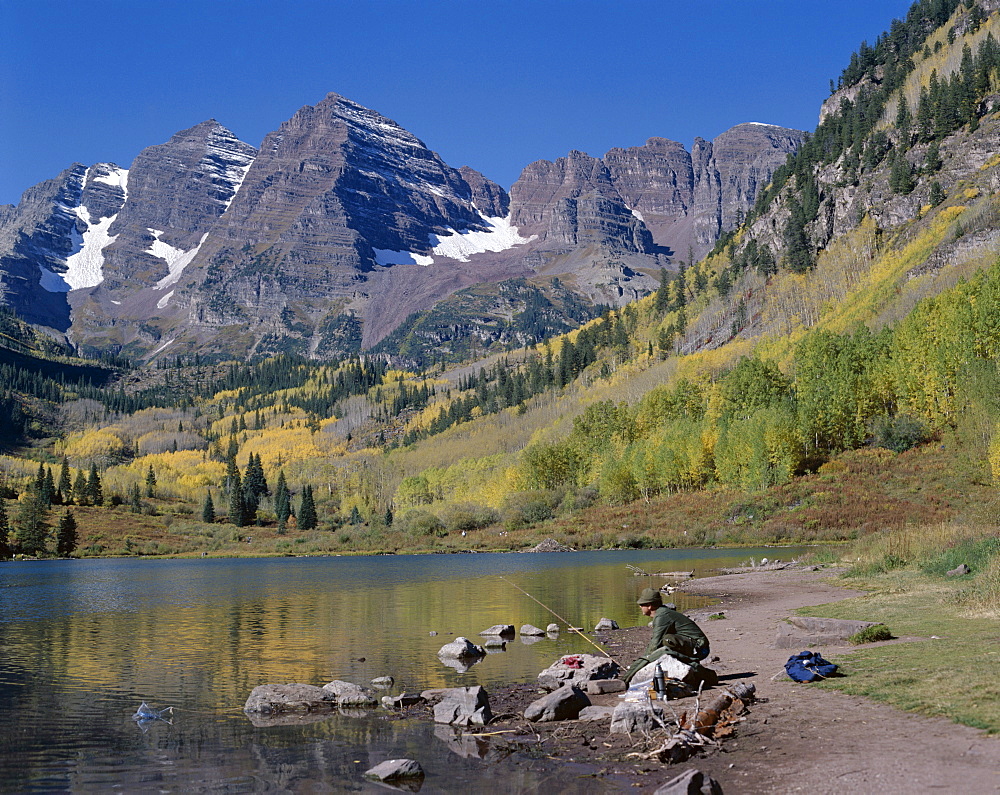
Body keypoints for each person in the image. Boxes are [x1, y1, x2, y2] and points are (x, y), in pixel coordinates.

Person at [621, 587, 711, 684]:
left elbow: (654, 644)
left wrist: (641, 662)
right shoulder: (662, 613)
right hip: (691, 645)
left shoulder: (662, 615)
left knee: (667, 641)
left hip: (700, 649)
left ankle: (695, 668)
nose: (640, 607)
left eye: (642, 605)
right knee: (665, 643)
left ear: (650, 606)